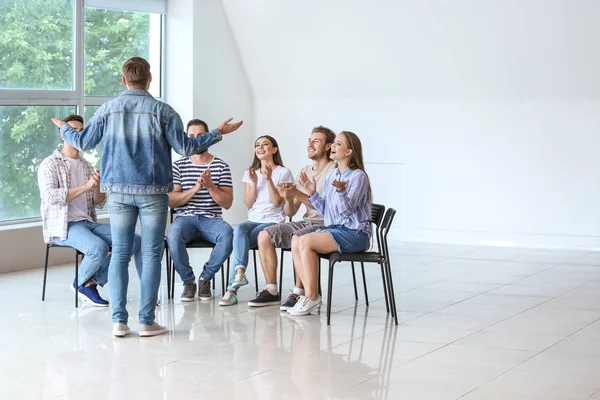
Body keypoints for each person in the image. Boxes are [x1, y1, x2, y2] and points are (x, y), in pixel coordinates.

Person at [51, 57, 242, 337]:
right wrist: (217, 133)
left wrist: (65, 128)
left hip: (118, 192)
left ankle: (118, 321)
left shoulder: (109, 109)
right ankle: (146, 321)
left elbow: (83, 141)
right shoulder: (163, 111)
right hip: (154, 194)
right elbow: (186, 147)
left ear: (123, 79)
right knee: (151, 254)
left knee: (120, 254)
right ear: (150, 79)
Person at [38, 114, 142, 307]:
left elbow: (98, 202)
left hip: (87, 222)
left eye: (81, 131)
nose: (78, 134)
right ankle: (80, 283)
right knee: (98, 248)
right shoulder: (49, 163)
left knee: (133, 239)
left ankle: (91, 282)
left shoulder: (86, 165)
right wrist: (87, 186)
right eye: (73, 130)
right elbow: (51, 197)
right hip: (63, 226)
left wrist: (96, 186)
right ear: (63, 135)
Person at [249, 126, 336, 309]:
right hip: (306, 220)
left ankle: (299, 292)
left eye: (316, 141)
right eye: (309, 140)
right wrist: (289, 197)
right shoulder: (305, 170)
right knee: (264, 235)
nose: (310, 144)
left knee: (300, 237)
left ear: (328, 146)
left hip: (326, 224)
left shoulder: (333, 170)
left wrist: (297, 192)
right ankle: (271, 290)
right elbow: (290, 212)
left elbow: (328, 210)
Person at [288, 131, 372, 316]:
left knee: (307, 241)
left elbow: (346, 212)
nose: (333, 146)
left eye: (338, 144)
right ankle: (308, 295)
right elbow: (326, 212)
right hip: (335, 229)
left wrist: (342, 192)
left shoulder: (358, 177)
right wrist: (312, 193)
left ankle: (312, 296)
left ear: (349, 151)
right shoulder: (333, 174)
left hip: (356, 234)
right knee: (296, 239)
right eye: (333, 143)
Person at [219, 135, 294, 306]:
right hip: (253, 221)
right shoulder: (250, 173)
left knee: (244, 237)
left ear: (274, 149)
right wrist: (253, 182)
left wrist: (268, 179)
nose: (260, 147)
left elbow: (277, 202)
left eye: (265, 144)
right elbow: (249, 203)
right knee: (239, 229)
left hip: (273, 222)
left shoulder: (283, 172)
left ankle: (232, 290)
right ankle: (239, 273)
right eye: (257, 145)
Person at [167, 119, 234, 302]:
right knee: (173, 234)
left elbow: (227, 203)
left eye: (200, 136)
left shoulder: (221, 166)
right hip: (185, 219)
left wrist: (211, 187)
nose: (196, 140)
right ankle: (188, 281)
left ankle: (206, 277)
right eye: (191, 137)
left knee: (228, 233)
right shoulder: (178, 165)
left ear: (208, 138)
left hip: (211, 219)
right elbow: (171, 202)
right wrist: (195, 189)